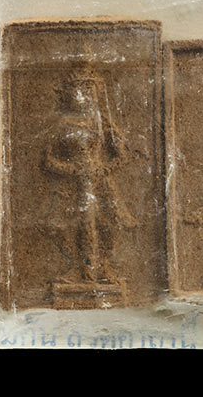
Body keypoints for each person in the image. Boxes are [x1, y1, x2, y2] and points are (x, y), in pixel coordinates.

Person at [42, 59, 135, 285]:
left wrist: (103, 169)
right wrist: (70, 170)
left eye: (87, 90)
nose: (82, 96)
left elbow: (122, 155)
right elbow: (48, 160)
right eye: (77, 90)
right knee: (62, 225)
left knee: (111, 222)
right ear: (68, 94)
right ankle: (77, 266)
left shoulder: (103, 124)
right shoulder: (62, 125)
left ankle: (102, 265)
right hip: (71, 184)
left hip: (100, 182)